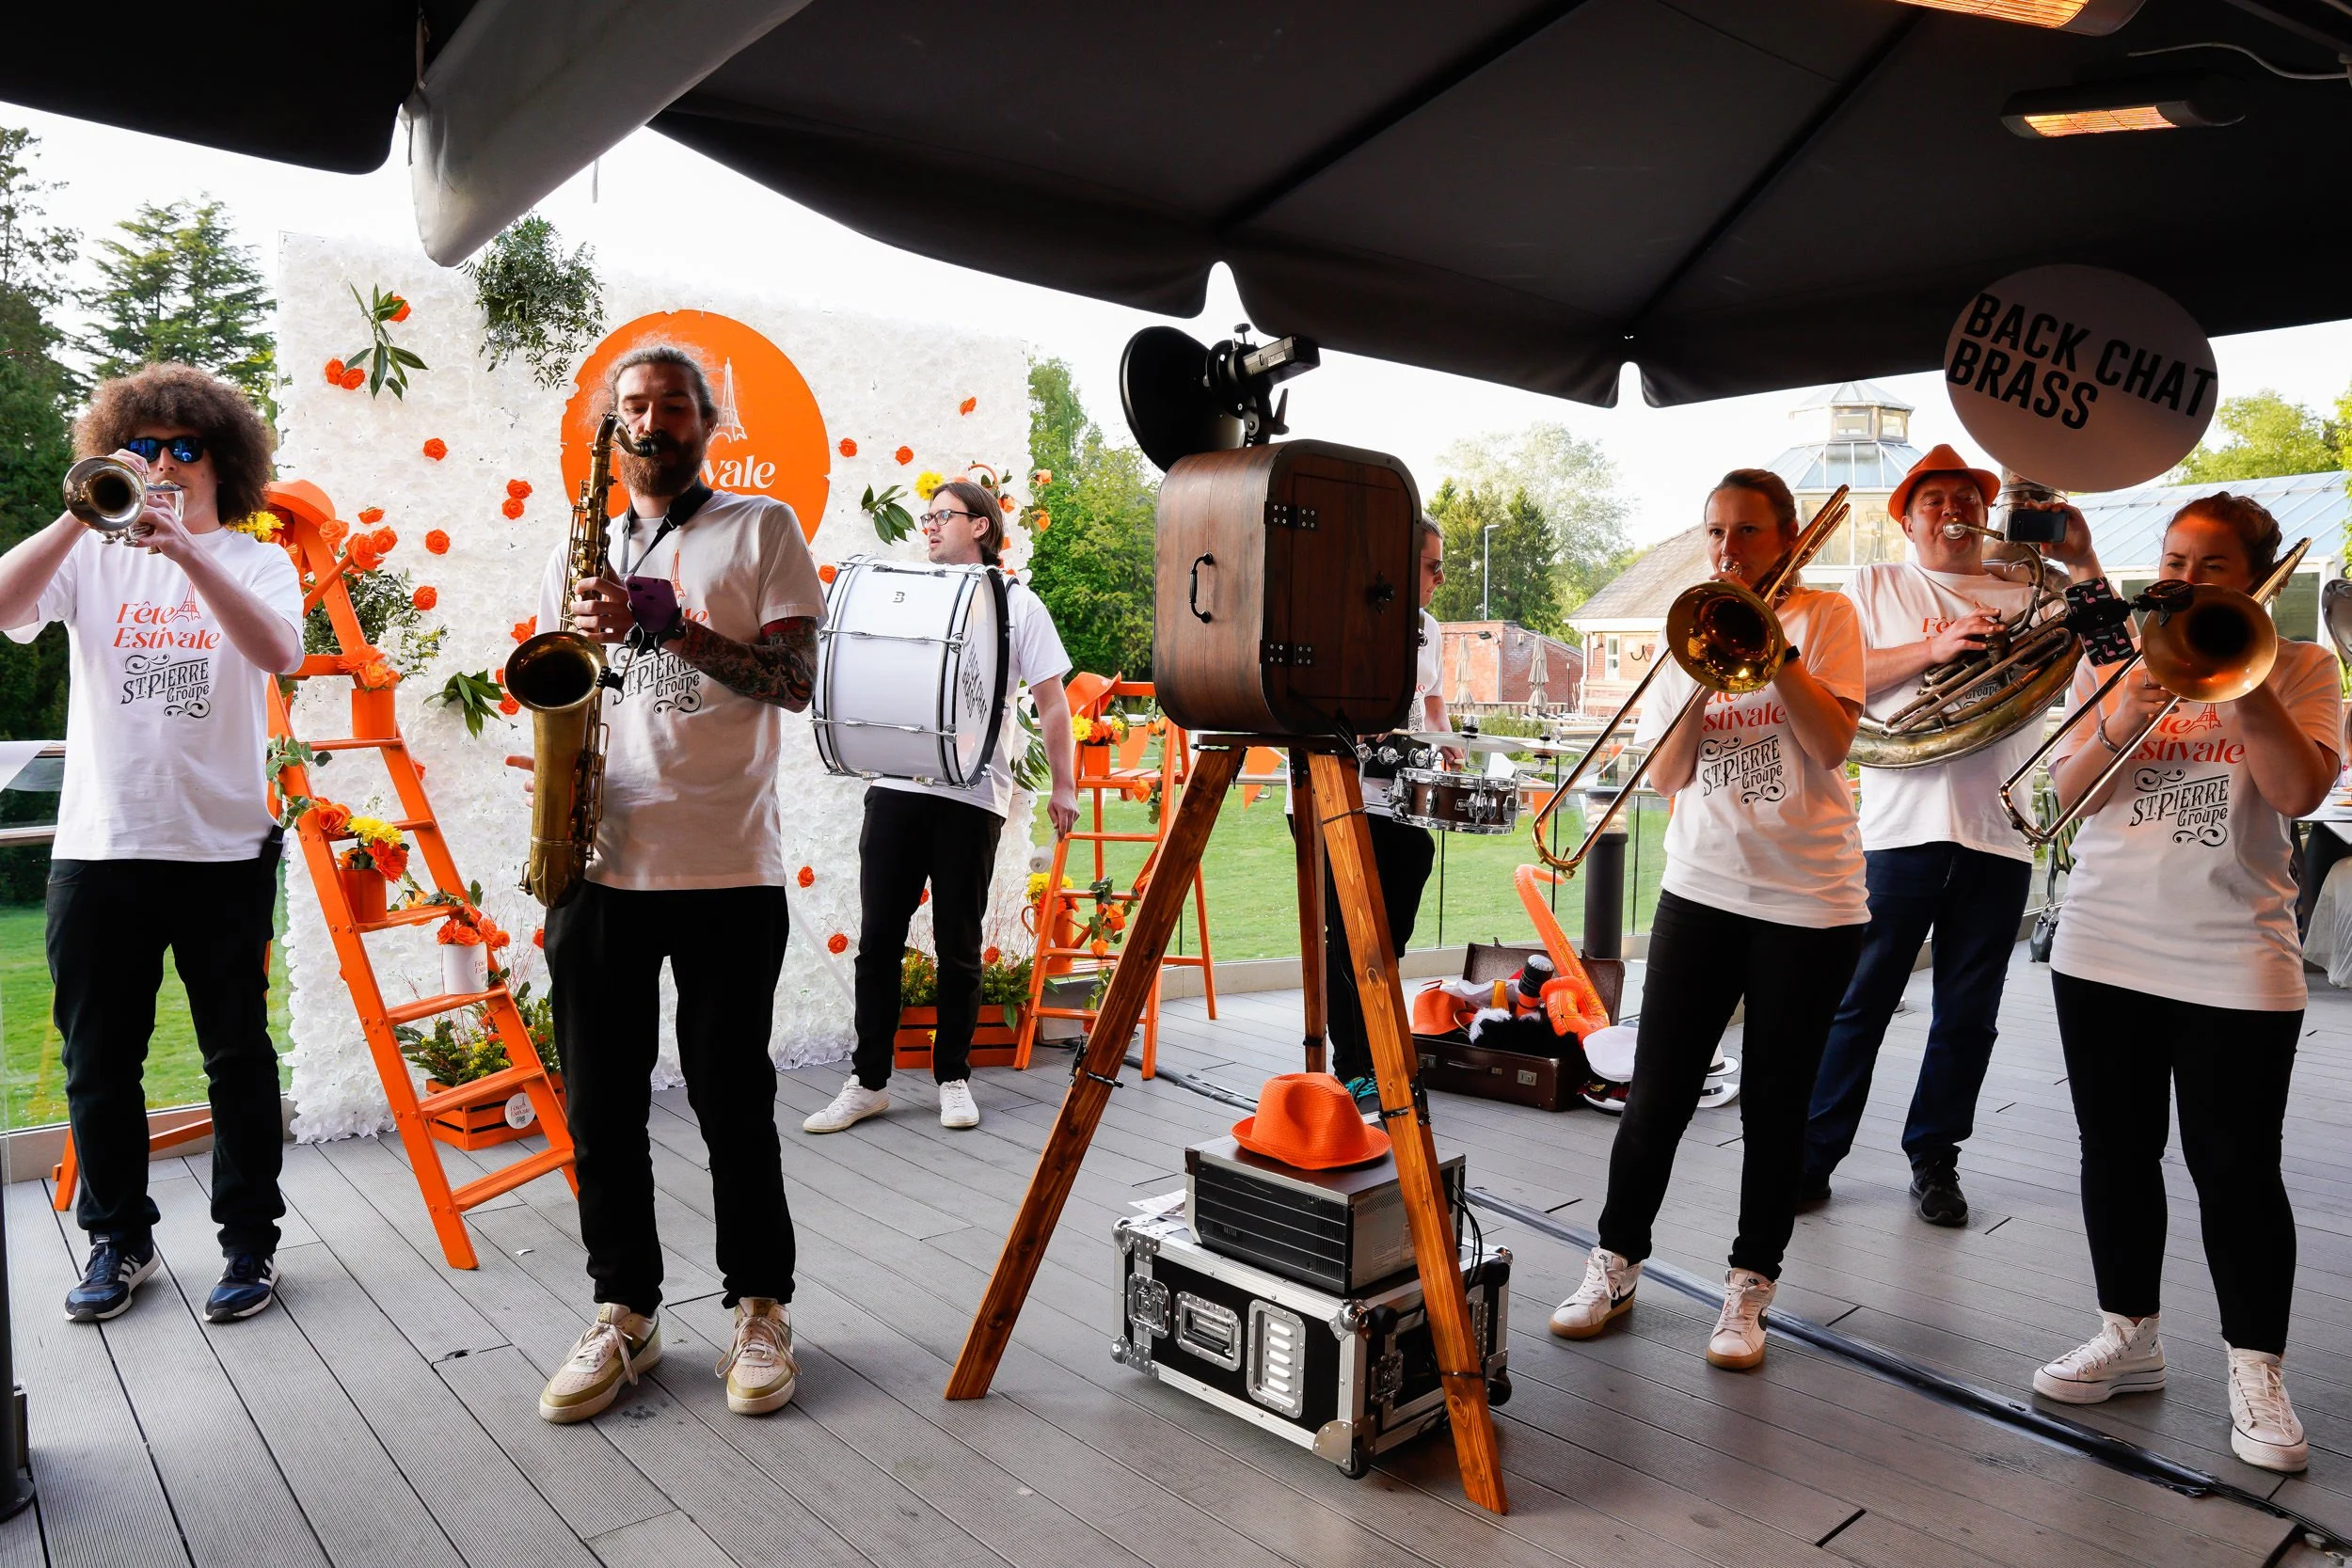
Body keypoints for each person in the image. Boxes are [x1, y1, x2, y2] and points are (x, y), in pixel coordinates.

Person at [513, 345, 827, 1426]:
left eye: (674, 406)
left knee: (732, 1098)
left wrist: (672, 624)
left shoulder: (761, 528)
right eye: (635, 407)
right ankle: (625, 1311)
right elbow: (567, 673)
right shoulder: (583, 539)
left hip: (727, 860)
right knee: (600, 1104)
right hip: (601, 858)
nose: (654, 422)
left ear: (707, 421)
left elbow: (792, 680)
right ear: (615, 426)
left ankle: (758, 1306)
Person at [2029, 494, 2338, 1476]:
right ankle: (2130, 1331)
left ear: (2251, 579)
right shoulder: (2120, 659)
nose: (2184, 578)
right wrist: (2129, 692)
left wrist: (2236, 677)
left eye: (2209, 566)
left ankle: (2256, 1365)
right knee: (2114, 1151)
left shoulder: (2300, 666)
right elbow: (2067, 796)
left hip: (2234, 952)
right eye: (2173, 559)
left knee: (2236, 1165)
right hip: (2103, 942)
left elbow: (2297, 792)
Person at [0, 364, 304, 1324]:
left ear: (225, 464)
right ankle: (118, 1237)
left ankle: (249, 1244)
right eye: (143, 448)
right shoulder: (88, 557)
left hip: (220, 846)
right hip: (101, 844)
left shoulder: (255, 560)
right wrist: (78, 512)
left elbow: (279, 653)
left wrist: (186, 554)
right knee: (100, 1060)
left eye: (185, 448)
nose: (164, 464)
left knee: (236, 1055)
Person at [1549, 469, 1867, 1370]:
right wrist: (1705, 669)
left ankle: (1747, 1287)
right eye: (1715, 531)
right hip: (1702, 889)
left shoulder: (1828, 619)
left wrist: (1773, 647)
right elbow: (1666, 775)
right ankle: (1614, 1261)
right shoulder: (1690, 623)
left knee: (1775, 1104)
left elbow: (1835, 743)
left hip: (1811, 900)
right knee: (1656, 1095)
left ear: (1788, 537)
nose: (1728, 550)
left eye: (1748, 533)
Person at [1800, 447, 2103, 1226]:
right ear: (1905, 518)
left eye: (1965, 496)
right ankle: (1811, 1154)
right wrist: (1938, 648)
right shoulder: (1875, 585)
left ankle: (1936, 1156)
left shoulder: (2030, 589)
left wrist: (2084, 556)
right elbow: (1835, 679)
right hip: (1897, 832)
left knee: (1969, 1013)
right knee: (1857, 1002)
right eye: (1932, 499)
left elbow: (2112, 657)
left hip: (1995, 836)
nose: (1951, 510)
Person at [802, 479, 1078, 1135]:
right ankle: (868, 1081)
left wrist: (1065, 785)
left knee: (959, 943)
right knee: (878, 944)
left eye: (942, 516)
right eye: (925, 518)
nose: (928, 526)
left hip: (973, 795)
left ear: (980, 526)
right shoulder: (911, 593)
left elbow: (1052, 701)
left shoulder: (1016, 605)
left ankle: (953, 1076)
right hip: (896, 788)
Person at [1295, 515, 1454, 1106]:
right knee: (1349, 934)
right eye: (1431, 564)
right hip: (1342, 797)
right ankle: (1355, 1065)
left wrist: (1449, 746)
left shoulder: (1429, 630)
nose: (1441, 576)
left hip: (1407, 799)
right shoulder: (1342, 619)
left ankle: (1381, 1043)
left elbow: (1432, 706)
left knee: (1391, 933)